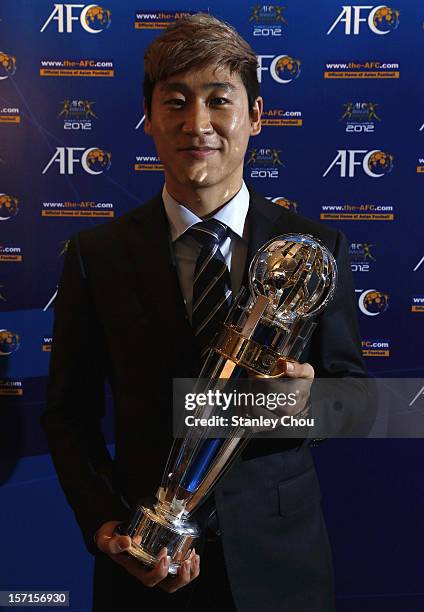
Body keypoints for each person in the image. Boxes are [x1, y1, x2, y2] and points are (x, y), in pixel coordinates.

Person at [41, 13, 368, 612]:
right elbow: (67, 415)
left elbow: (357, 403)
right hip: (143, 562)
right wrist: (107, 526)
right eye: (176, 102)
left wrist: (303, 405)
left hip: (280, 566)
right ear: (150, 120)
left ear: (256, 117)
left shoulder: (315, 247)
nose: (198, 125)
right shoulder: (96, 255)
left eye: (219, 100)